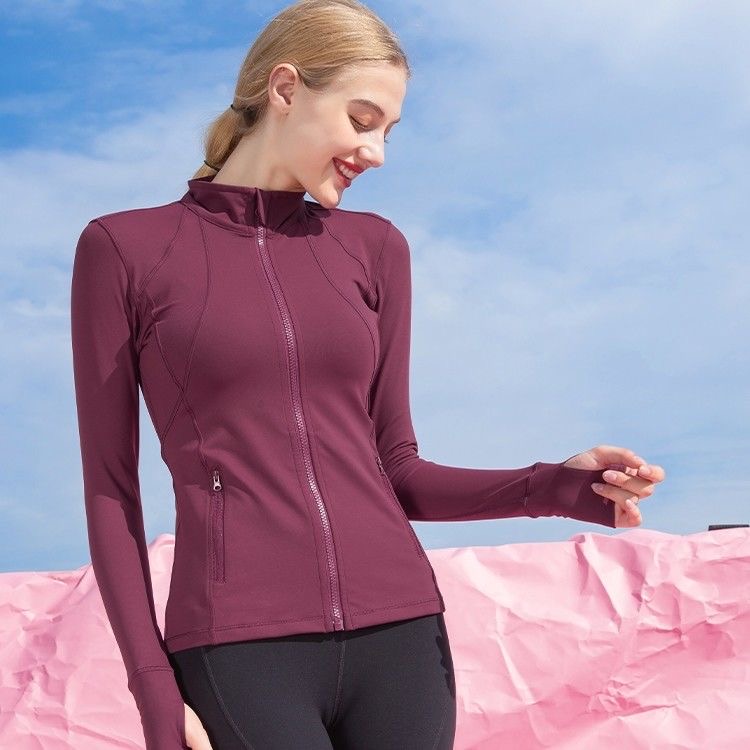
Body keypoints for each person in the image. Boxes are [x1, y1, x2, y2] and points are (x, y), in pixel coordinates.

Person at [69, 1, 665, 748]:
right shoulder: (125, 250)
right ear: (286, 89)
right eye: (361, 120)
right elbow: (110, 492)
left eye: (388, 130)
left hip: (403, 639)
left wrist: (553, 486)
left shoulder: (375, 249)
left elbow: (397, 470)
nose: (376, 152)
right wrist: (153, 690)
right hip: (239, 645)